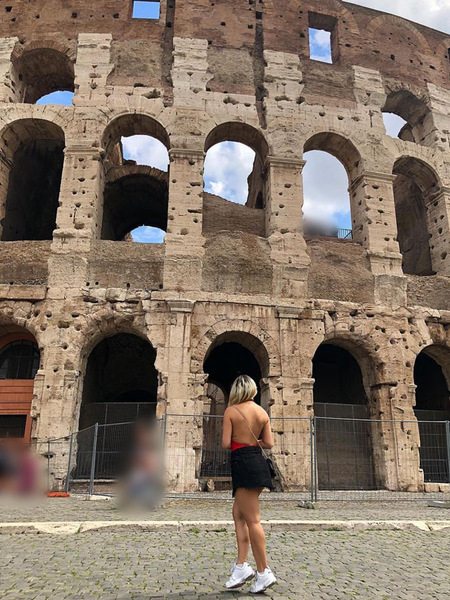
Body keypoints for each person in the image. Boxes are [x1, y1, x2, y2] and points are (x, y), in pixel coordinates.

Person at [221, 375, 277, 593]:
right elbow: (269, 442)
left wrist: (241, 439)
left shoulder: (231, 411)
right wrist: (253, 440)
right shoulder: (262, 413)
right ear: (253, 390)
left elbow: (226, 443)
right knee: (238, 514)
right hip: (257, 462)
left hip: (243, 463)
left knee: (253, 520)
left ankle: (263, 572)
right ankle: (241, 566)